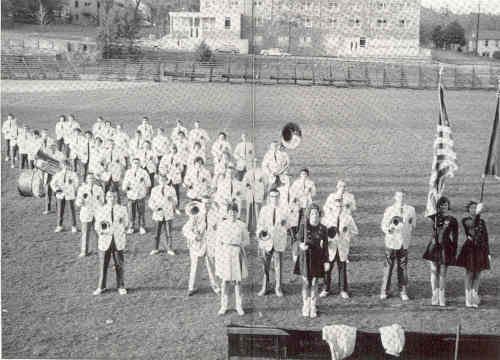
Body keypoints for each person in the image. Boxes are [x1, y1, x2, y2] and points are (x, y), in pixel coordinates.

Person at [320, 187, 358, 299]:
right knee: (327, 268)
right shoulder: (326, 218)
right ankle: (326, 289)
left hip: (342, 246)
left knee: (342, 268)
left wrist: (347, 234)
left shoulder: (348, 218)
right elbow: (322, 233)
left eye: (340, 206)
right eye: (337, 206)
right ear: (333, 205)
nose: (338, 208)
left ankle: (343, 290)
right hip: (330, 247)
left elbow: (355, 231)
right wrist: (327, 241)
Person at [293, 204, 329, 318]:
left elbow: (326, 247)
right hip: (305, 257)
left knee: (314, 282)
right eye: (312, 213)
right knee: (305, 282)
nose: (315, 216)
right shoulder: (303, 226)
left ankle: (313, 305)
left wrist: (326, 261)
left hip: (317, 258)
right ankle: (305, 304)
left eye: (317, 214)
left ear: (320, 215)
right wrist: (300, 246)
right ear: (309, 215)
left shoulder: (323, 229)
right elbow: (297, 241)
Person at [380, 191, 416, 301]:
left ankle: (403, 291)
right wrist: (388, 230)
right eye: (399, 196)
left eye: (403, 196)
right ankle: (384, 291)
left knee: (403, 267)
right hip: (391, 242)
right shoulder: (390, 210)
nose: (401, 198)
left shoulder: (411, 210)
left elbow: (413, 224)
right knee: (388, 267)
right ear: (395, 197)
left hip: (404, 243)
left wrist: (406, 234)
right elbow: (383, 225)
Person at [422, 197, 458, 306]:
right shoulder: (434, 217)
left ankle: (442, 297)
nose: (443, 207)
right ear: (438, 206)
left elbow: (455, 237)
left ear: (448, 206)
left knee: (442, 273)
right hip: (433, 246)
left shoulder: (452, 220)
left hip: (446, 248)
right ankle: (435, 296)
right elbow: (428, 211)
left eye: (446, 205)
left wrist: (454, 250)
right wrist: (433, 199)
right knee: (433, 272)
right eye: (441, 205)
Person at [216, 201, 249, 316]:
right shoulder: (222, 225)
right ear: (227, 213)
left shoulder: (242, 225)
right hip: (225, 254)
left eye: (234, 212)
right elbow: (218, 242)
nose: (233, 215)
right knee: (225, 281)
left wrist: (239, 244)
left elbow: (246, 240)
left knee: (237, 281)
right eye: (230, 212)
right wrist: (220, 257)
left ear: (237, 213)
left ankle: (238, 306)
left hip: (237, 253)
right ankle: (223, 306)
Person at [93, 191, 129, 296]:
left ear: (116, 197)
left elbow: (126, 224)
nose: (111, 198)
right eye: (109, 196)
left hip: (118, 240)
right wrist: (102, 231)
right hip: (105, 240)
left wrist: (122, 223)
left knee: (119, 264)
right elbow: (97, 226)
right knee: (103, 265)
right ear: (106, 197)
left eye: (113, 196)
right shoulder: (101, 210)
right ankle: (101, 286)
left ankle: (121, 286)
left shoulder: (122, 209)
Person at [456, 201, 490, 308]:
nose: (474, 210)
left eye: (476, 208)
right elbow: (471, 230)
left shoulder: (482, 222)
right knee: (470, 273)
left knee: (478, 274)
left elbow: (486, 238)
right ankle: (468, 298)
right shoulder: (465, 220)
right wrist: (478, 214)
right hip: (470, 250)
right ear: (468, 210)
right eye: (472, 208)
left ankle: (474, 297)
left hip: (480, 250)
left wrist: (488, 253)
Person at [183, 200, 219, 296]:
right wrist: (195, 236)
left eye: (209, 203)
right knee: (195, 266)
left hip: (211, 244)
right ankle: (192, 287)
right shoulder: (196, 216)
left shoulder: (215, 215)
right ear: (201, 205)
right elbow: (185, 230)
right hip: (197, 246)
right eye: (205, 204)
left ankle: (217, 287)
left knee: (213, 266)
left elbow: (219, 229)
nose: (207, 205)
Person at [256, 189, 288, 297]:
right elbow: (260, 225)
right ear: (269, 198)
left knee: (278, 265)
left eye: (276, 196)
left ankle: (278, 288)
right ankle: (265, 287)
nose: (274, 199)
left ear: (279, 197)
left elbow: (287, 225)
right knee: (266, 265)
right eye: (272, 196)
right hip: (267, 241)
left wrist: (282, 227)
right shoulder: (264, 209)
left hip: (278, 241)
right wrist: (261, 234)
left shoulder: (284, 209)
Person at [75, 174, 105, 257]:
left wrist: (100, 204)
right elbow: (77, 202)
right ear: (86, 180)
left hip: (97, 213)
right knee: (85, 233)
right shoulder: (82, 189)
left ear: (94, 180)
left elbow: (102, 201)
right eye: (89, 178)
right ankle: (84, 251)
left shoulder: (98, 189)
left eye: (92, 178)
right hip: (86, 213)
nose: (91, 180)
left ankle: (102, 249)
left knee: (99, 232)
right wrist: (80, 202)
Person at [148, 173, 178, 255]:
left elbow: (176, 202)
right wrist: (155, 208)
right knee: (156, 232)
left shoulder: (171, 189)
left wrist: (172, 200)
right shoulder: (154, 190)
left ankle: (170, 248)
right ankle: (155, 248)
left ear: (167, 181)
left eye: (164, 180)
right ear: (158, 181)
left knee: (169, 232)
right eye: (161, 180)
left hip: (168, 212)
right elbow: (151, 202)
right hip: (158, 213)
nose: (163, 182)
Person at [122, 157, 151, 234]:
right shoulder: (128, 172)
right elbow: (124, 185)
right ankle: (131, 227)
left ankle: (142, 227)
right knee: (131, 213)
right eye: (134, 163)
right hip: (131, 196)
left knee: (141, 212)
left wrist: (144, 190)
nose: (136, 164)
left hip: (140, 195)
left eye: (138, 163)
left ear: (140, 163)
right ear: (131, 163)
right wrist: (128, 188)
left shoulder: (144, 172)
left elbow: (148, 183)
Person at [50, 159, 80, 233]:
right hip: (60, 194)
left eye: (67, 165)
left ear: (69, 166)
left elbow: (76, 183)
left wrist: (71, 188)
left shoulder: (73, 174)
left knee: (71, 210)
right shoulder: (58, 174)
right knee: (60, 210)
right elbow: (52, 183)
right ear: (61, 166)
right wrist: (57, 191)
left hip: (69, 194)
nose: (65, 167)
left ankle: (74, 226)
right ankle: (59, 226)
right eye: (64, 165)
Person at [243, 158, 267, 234]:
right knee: (249, 212)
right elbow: (244, 182)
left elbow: (266, 184)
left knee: (258, 212)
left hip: (258, 195)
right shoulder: (248, 172)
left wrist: (264, 194)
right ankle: (248, 229)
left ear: (258, 163)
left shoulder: (262, 173)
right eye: (253, 162)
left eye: (256, 162)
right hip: (250, 194)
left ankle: (258, 229)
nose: (254, 163)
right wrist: (247, 185)